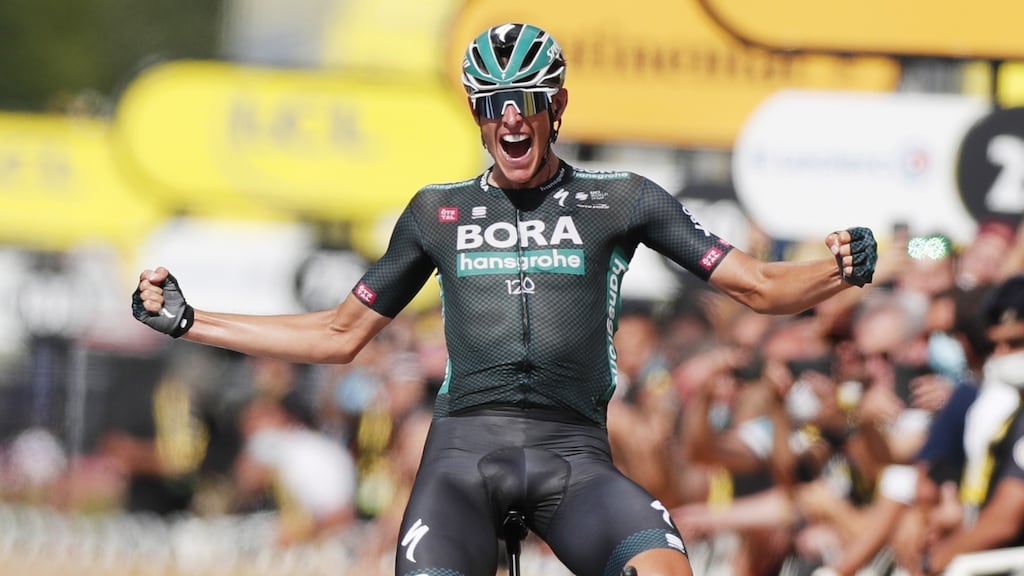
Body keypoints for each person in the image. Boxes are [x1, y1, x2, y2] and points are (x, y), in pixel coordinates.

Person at [131, 22, 878, 576]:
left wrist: (837, 269)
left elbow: (758, 284)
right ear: (477, 115)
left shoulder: (620, 199)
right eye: (492, 105)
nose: (510, 118)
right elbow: (337, 332)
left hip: (576, 457)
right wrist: (191, 321)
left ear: (556, 106)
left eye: (525, 100)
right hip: (462, 457)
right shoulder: (436, 212)